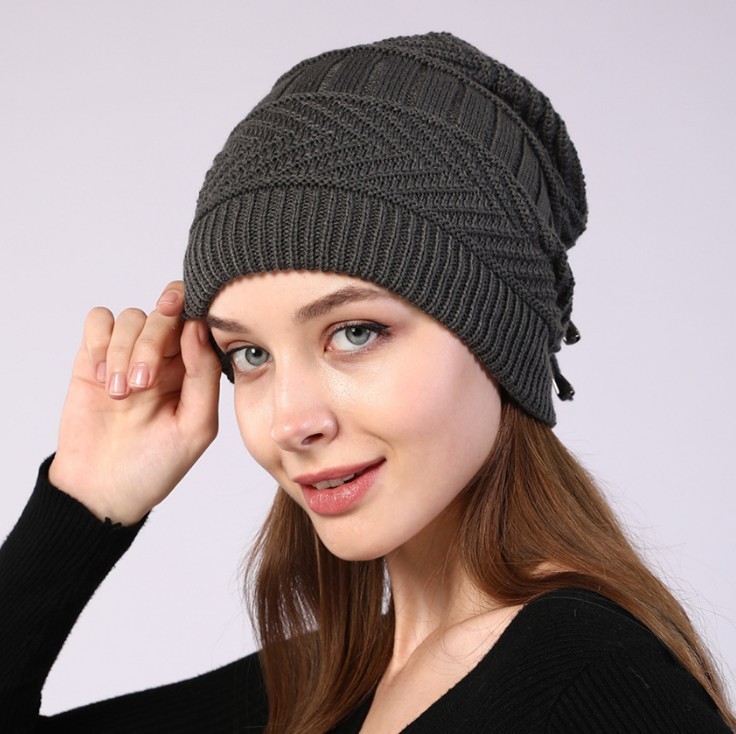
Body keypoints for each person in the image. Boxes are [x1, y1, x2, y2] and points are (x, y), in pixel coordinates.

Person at [0, 31, 733, 734]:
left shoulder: (590, 682)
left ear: (498, 335)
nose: (290, 422)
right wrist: (83, 498)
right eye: (249, 355)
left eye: (355, 333)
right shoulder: (325, 686)